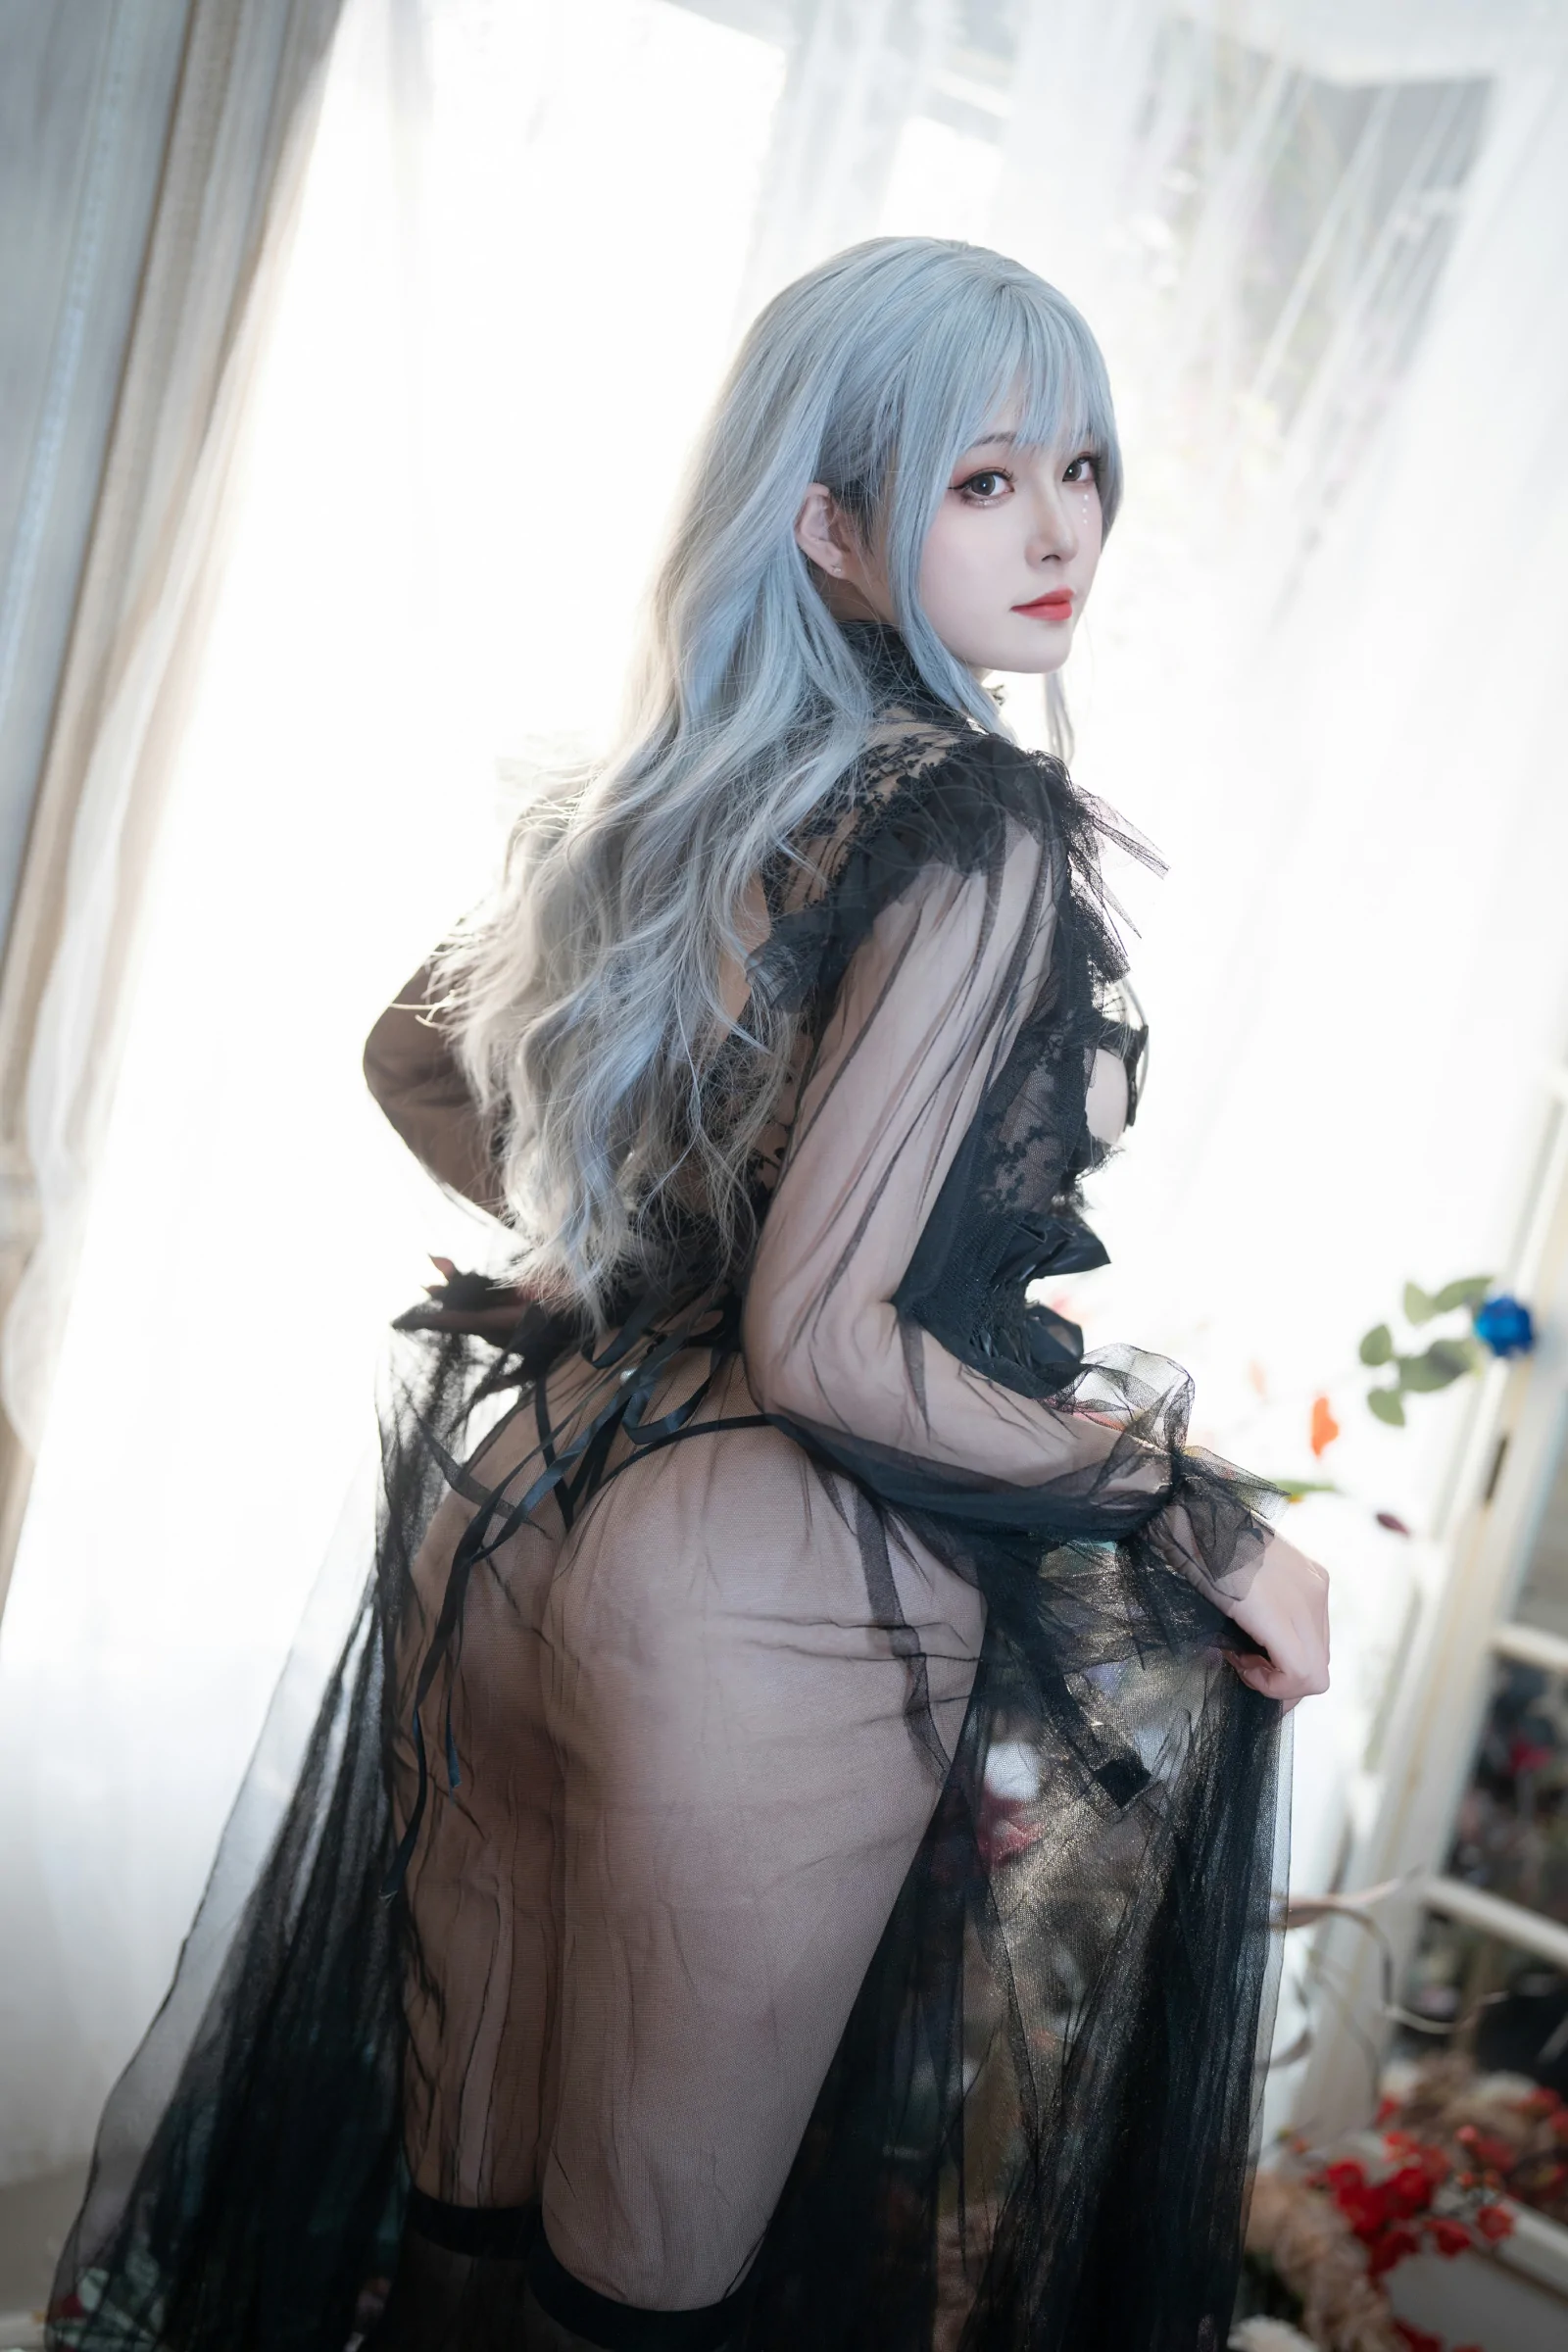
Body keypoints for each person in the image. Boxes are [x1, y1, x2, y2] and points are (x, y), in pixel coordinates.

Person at [50, 237, 1328, 2352]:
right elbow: (828, 1347)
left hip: (523, 1503)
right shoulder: (976, 830)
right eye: (982, 477)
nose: (1060, 530)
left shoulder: (662, 795)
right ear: (828, 526)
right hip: (753, 1582)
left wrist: (638, 1248)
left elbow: (414, 1059)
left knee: (460, 2246)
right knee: (631, 2303)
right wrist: (1194, 1505)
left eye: (1080, 468)